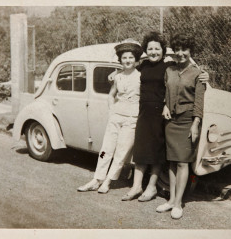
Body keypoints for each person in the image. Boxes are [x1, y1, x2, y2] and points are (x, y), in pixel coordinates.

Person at [121, 31, 209, 202]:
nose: (153, 52)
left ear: (162, 50)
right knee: (140, 149)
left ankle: (152, 187)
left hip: (162, 113)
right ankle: (136, 186)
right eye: (150, 48)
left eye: (157, 48)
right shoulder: (143, 65)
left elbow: (186, 77)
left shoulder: (168, 66)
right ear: (146, 50)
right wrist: (114, 74)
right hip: (144, 112)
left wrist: (206, 75)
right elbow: (127, 69)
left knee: (157, 151)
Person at [77, 38, 143, 194]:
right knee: (106, 149)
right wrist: (111, 109)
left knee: (121, 153)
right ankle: (96, 179)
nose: (127, 60)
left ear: (136, 60)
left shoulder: (141, 76)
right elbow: (111, 95)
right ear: (120, 60)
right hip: (116, 117)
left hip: (131, 119)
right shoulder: (118, 76)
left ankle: (107, 181)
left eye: (131, 57)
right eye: (125, 58)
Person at [156, 33, 205, 219]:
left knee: (183, 162)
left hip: (187, 121)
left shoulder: (198, 74)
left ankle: (178, 203)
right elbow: (164, 92)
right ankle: (170, 201)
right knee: (172, 161)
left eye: (184, 49)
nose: (180, 53)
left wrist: (196, 124)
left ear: (190, 51)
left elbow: (199, 102)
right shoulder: (169, 70)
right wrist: (165, 106)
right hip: (171, 121)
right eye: (177, 49)